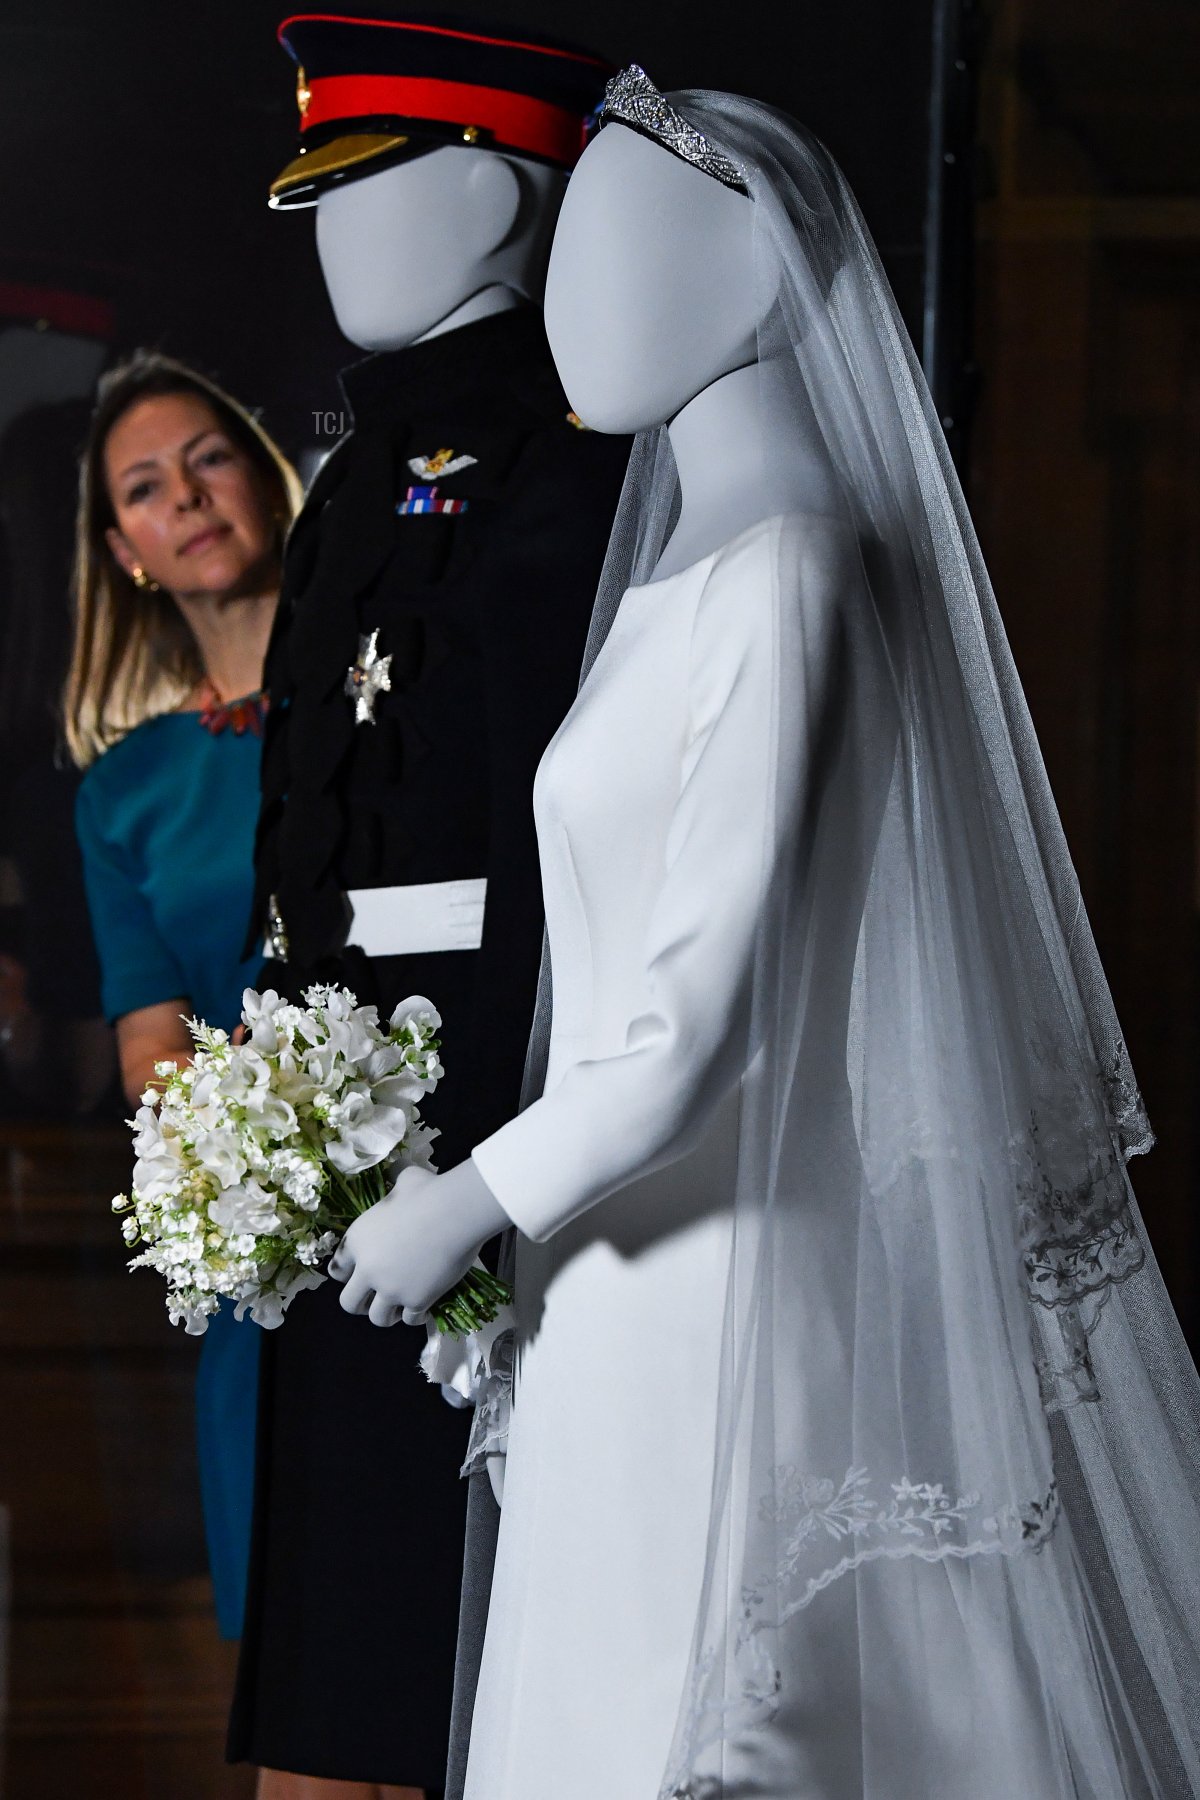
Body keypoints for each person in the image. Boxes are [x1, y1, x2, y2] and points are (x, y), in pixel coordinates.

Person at [332, 70, 1200, 1800]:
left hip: (723, 1274)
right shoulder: (683, 572)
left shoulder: (793, 574)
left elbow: (693, 1028)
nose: (574, 300)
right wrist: (517, 1244)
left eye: (617, 247)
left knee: (710, 1718)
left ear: (747, 267)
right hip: (613, 1272)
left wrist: (468, 1201)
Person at [226, 15, 629, 1800]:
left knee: (467, 1629)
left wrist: (510, 1145)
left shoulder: (572, 466)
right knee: (338, 1633)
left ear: (489, 195)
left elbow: (572, 828)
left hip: (487, 1099)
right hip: (331, 1095)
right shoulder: (355, 471)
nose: (330, 233)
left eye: (363, 187)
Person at [67, 351, 302, 1657]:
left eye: (210, 459)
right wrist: (294, 1164)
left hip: (458, 1206)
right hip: (273, 1246)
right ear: (127, 551)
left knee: (469, 1624)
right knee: (293, 1657)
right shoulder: (125, 793)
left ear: (264, 480)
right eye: (146, 487)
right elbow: (151, 1053)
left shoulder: (392, 700)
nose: (188, 498)